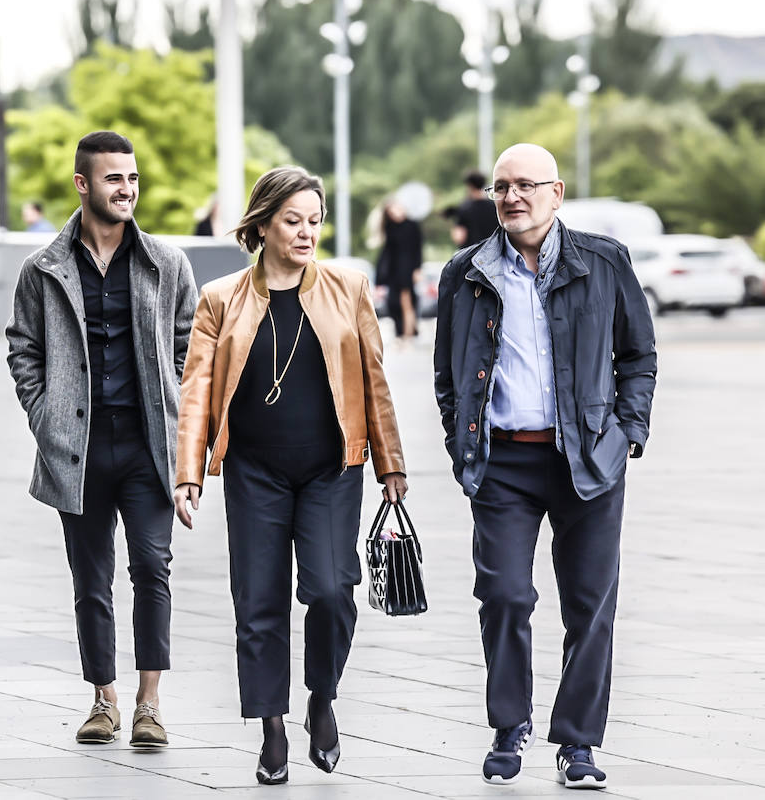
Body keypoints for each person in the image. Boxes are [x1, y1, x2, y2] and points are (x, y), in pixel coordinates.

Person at [174, 166, 408, 784]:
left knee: (332, 591)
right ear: (263, 224)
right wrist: (189, 473)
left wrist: (391, 463)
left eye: (315, 220)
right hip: (254, 471)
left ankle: (322, 697)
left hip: (333, 467)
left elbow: (374, 380)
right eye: (292, 221)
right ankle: (272, 727)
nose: (306, 233)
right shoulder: (221, 298)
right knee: (258, 601)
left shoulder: (348, 287)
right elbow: (197, 389)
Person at [434, 143, 656, 790]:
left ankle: (579, 745)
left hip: (587, 460)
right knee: (503, 595)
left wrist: (628, 435)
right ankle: (509, 725)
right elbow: (448, 375)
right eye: (502, 186)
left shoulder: (604, 261)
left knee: (591, 608)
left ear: (556, 194)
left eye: (527, 184)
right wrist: (460, 441)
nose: (512, 196)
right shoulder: (466, 271)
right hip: (503, 463)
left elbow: (638, 356)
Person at [6, 131, 197, 750]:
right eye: (115, 179)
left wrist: (177, 420)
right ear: (83, 184)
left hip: (147, 444)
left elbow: (188, 346)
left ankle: (149, 704)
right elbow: (23, 347)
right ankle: (102, 700)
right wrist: (46, 415)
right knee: (90, 579)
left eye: (133, 178)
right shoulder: (43, 268)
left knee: (152, 567)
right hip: (78, 446)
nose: (128, 189)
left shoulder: (167, 263)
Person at [376, 197, 423, 340]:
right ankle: (403, 331)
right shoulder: (390, 228)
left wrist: (417, 269)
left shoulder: (412, 225)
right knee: (395, 303)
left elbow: (418, 249)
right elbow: (387, 253)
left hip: (408, 269)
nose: (395, 214)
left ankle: (408, 333)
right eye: (391, 212)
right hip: (394, 270)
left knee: (407, 301)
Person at [451, 169, 500, 247]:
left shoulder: (464, 208)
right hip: (493, 251)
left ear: (470, 185)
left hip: (471, 254)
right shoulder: (495, 205)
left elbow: (459, 237)